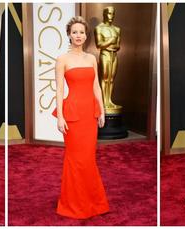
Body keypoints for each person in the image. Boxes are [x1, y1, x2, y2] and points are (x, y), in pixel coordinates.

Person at [51, 16, 109, 219]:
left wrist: (102, 110)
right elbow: (59, 90)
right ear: (69, 34)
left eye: (81, 32)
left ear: (86, 36)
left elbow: (96, 86)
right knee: (75, 159)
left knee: (88, 158)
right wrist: (60, 117)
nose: (78, 35)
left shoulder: (91, 58)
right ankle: (73, 204)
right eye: (74, 32)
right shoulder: (62, 60)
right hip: (73, 114)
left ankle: (93, 203)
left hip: (89, 114)